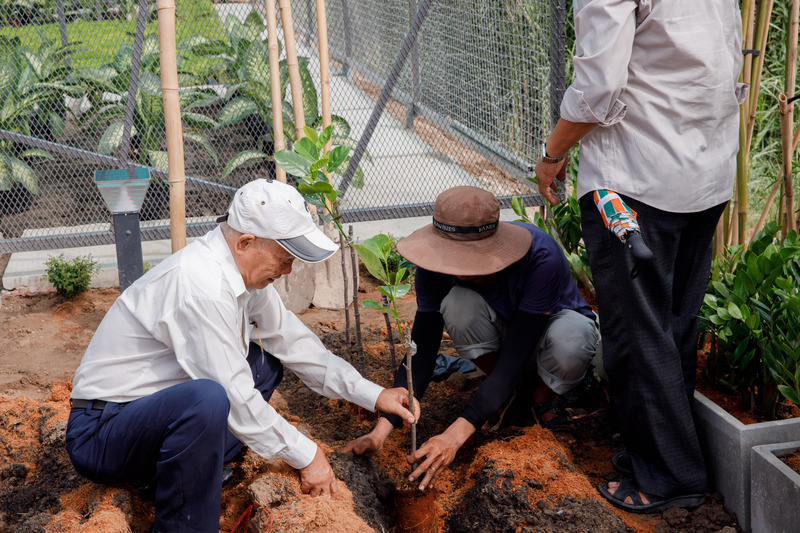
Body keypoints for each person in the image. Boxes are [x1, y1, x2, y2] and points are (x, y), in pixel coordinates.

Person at [65, 178, 419, 532]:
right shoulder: (201, 286)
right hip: (103, 432)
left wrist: (374, 395)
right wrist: (307, 455)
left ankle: (181, 474)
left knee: (264, 361)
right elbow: (233, 397)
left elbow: (294, 342)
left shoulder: (243, 276)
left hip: (150, 413)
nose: (287, 271)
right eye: (283, 259)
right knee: (207, 399)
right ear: (246, 242)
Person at [534, 0, 745, 514]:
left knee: (636, 332)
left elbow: (599, 86)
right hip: (706, 170)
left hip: (636, 182)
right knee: (673, 325)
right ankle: (664, 454)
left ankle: (669, 477)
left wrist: (553, 153)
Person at [342, 185, 599, 491]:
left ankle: (545, 399)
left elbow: (517, 354)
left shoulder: (540, 256)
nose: (461, 273)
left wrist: (453, 437)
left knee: (571, 339)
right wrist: (381, 430)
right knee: (458, 304)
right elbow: (422, 351)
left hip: (549, 335)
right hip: (505, 342)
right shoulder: (434, 268)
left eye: (470, 261)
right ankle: (508, 394)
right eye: (454, 260)